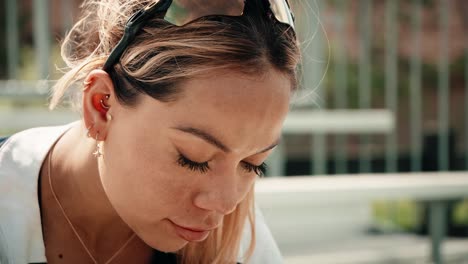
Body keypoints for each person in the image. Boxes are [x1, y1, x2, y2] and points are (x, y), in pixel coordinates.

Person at [0, 0, 300, 263]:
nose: (224, 204)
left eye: (253, 165)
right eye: (193, 158)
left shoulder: (240, 245)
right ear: (101, 106)